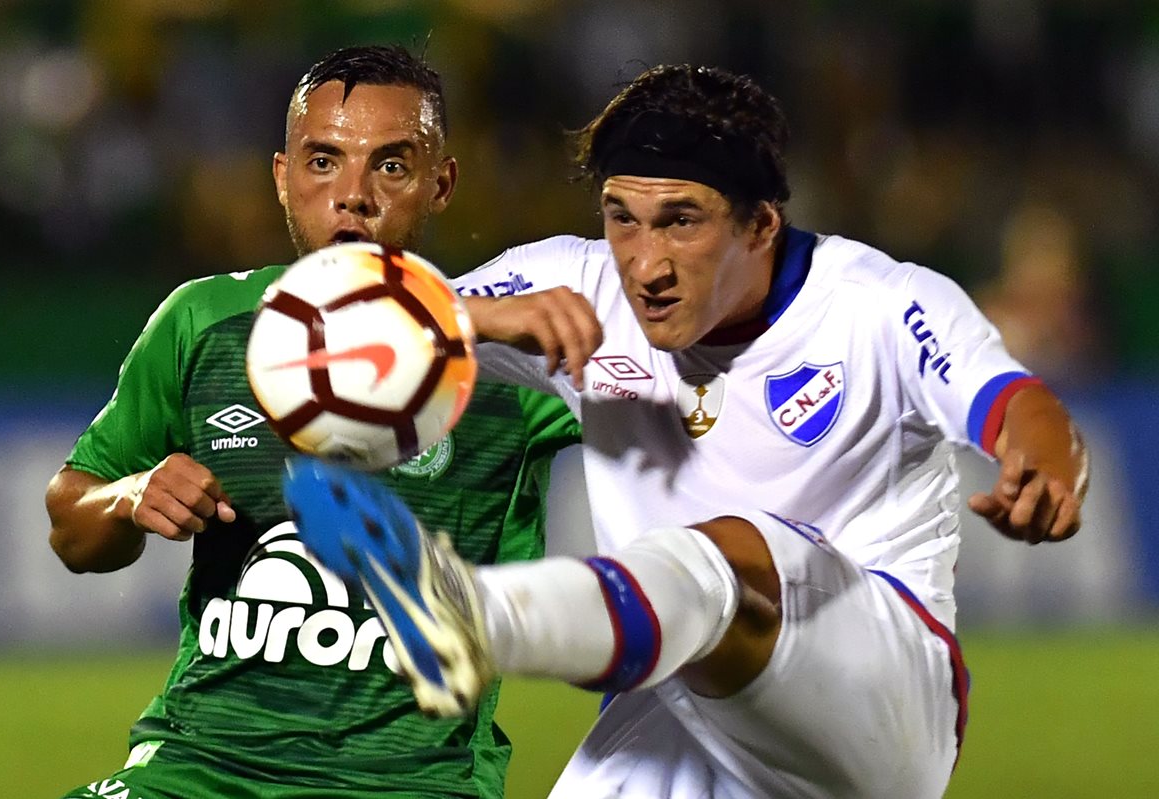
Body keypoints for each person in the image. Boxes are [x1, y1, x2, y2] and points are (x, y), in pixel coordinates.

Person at [284, 63, 1089, 798]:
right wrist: (475, 316)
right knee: (699, 582)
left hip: (879, 707)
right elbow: (318, 348)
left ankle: (475, 617)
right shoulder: (577, 285)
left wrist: (1045, 462)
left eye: (681, 222)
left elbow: (1018, 404)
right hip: (682, 703)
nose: (644, 262)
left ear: (760, 226)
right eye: (622, 220)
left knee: (731, 552)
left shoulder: (878, 304)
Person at [45, 45, 578, 799]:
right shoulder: (206, 322)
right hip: (200, 764)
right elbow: (71, 523)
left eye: (391, 166)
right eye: (323, 162)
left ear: (442, 183)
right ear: (281, 177)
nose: (352, 196)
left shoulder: (506, 358)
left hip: (408, 781)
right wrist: (129, 495)